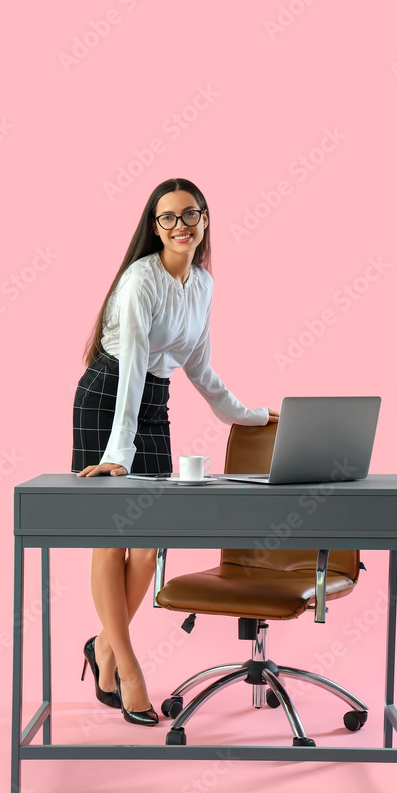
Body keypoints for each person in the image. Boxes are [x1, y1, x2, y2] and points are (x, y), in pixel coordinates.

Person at [72, 178, 279, 726]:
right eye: (168, 218)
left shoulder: (204, 283)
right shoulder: (140, 280)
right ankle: (129, 667)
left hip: (153, 402)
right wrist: (120, 452)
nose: (180, 226)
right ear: (154, 226)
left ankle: (101, 647)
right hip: (109, 397)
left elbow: (199, 367)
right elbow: (133, 365)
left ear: (205, 219)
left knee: (148, 548)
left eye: (191, 215)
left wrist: (250, 414)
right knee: (111, 542)